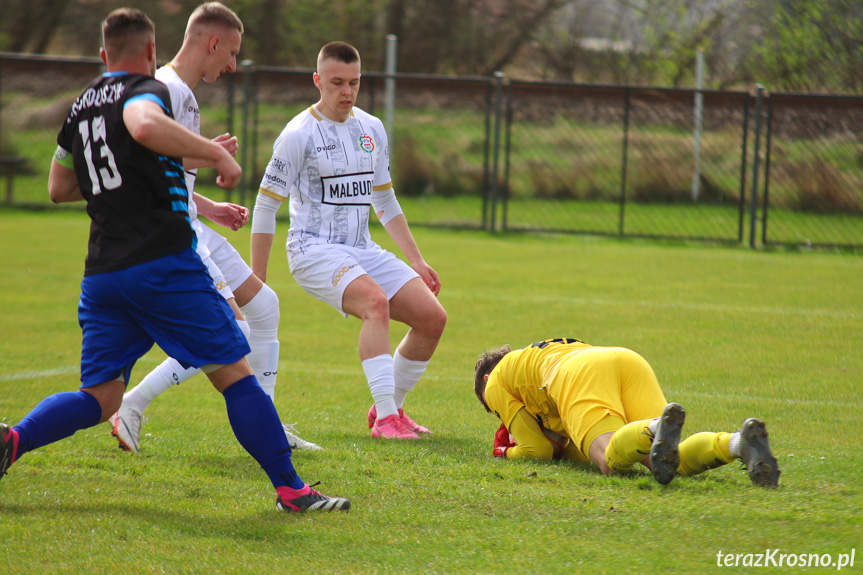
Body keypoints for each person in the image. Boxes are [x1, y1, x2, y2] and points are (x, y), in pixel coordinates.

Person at [0, 8, 349, 513]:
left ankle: (12, 442)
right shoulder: (150, 91)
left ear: (103, 55)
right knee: (236, 372)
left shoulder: (81, 106)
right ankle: (292, 489)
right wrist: (216, 154)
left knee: (100, 397)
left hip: (103, 274)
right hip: (161, 264)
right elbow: (143, 126)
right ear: (148, 52)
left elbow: (59, 186)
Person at [109, 2, 321, 453]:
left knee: (265, 306)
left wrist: (209, 207)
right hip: (174, 235)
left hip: (192, 223)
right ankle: (132, 402)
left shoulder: (184, 93)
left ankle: (270, 425)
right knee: (235, 332)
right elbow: (143, 156)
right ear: (213, 42)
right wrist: (209, 153)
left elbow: (169, 173)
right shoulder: (165, 87)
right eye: (233, 53)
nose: (233, 64)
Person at [250, 41, 447, 440]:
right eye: (337, 82)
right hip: (312, 248)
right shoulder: (297, 134)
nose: (347, 92)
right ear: (317, 80)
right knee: (376, 303)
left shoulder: (371, 128)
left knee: (432, 318)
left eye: (354, 83)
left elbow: (385, 198)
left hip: (362, 249)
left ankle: (390, 409)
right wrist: (256, 280)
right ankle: (388, 421)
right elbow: (265, 207)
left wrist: (417, 260)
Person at [474, 337, 780, 487]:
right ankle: (740, 444)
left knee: (609, 460)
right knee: (666, 461)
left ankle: (653, 427)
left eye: (495, 411)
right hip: (623, 360)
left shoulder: (496, 382)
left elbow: (536, 449)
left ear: (487, 382)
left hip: (576, 373)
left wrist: (504, 453)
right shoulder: (530, 359)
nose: (502, 415)